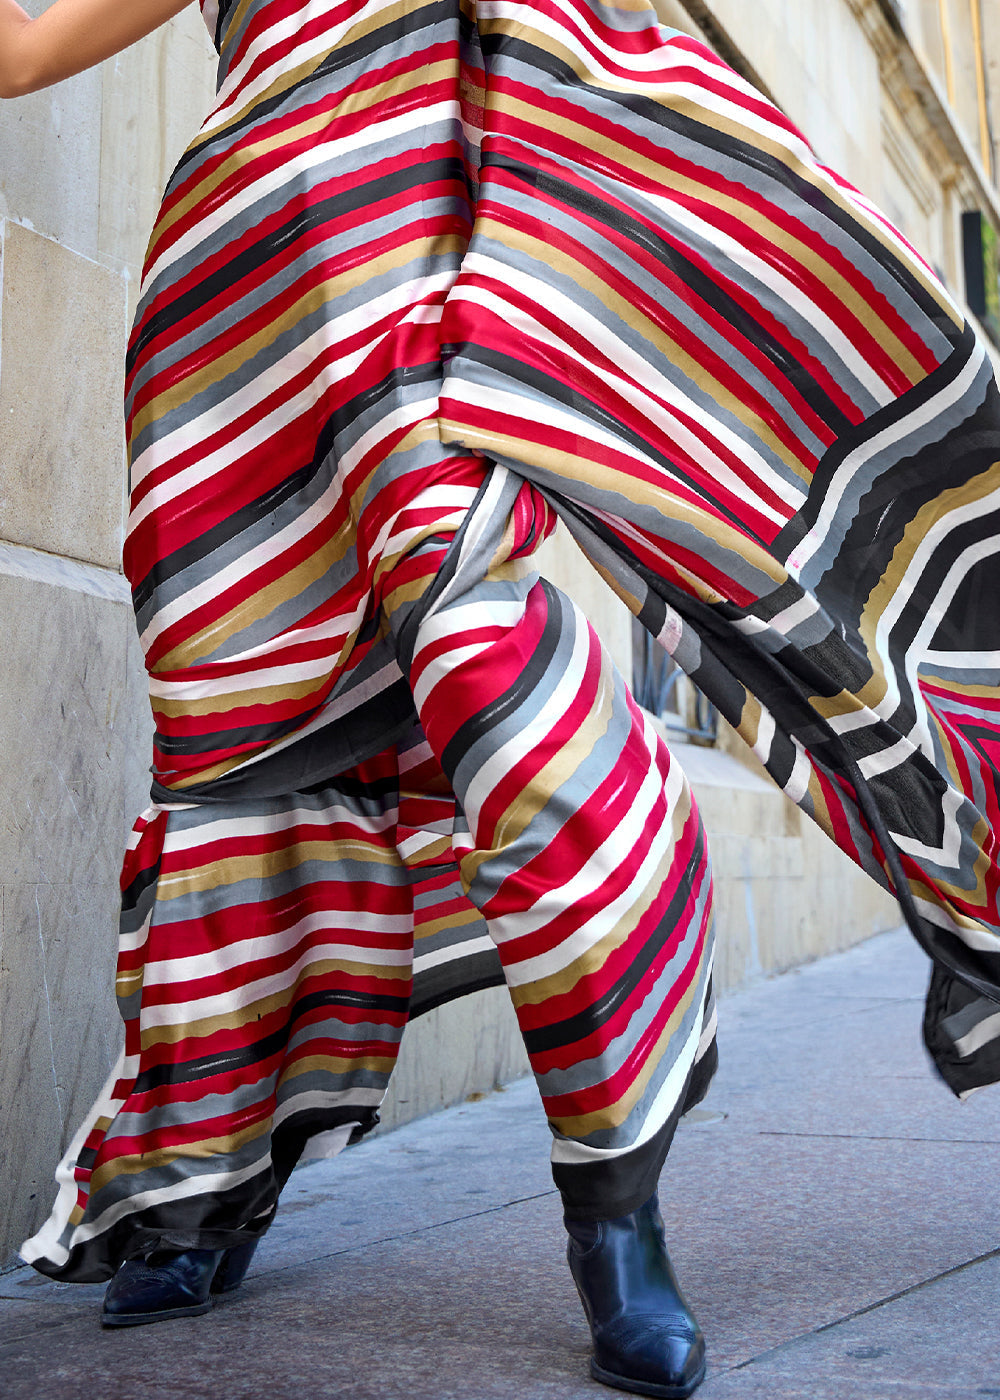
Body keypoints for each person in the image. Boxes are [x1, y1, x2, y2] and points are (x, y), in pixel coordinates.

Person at [3, 1, 999, 1395]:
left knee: (502, 700)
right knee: (236, 741)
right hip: (233, 322)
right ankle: (212, 1176)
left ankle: (615, 1207)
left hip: (422, 305)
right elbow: (27, 54)